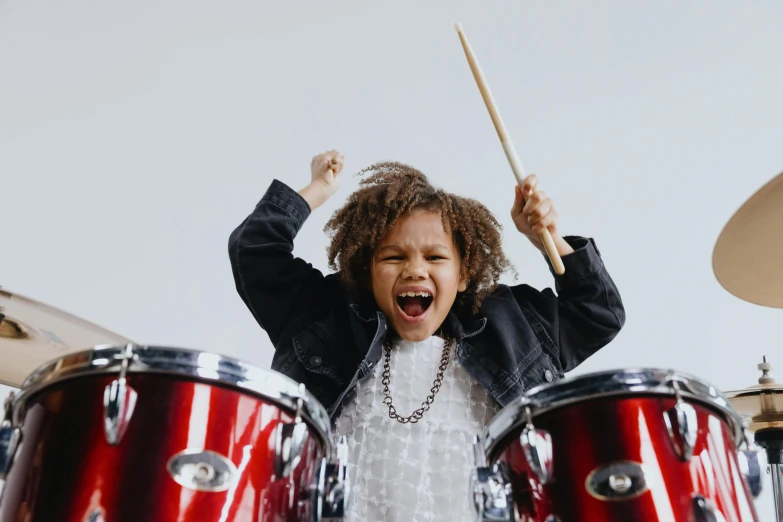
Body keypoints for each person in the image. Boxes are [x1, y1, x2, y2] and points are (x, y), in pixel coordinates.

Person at [228, 150, 625, 521]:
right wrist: (316, 190)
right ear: (367, 271)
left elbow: (598, 314)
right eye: (393, 257)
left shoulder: (513, 325)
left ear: (464, 273)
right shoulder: (326, 318)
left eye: (435, 257)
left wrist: (548, 239)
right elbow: (255, 251)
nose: (415, 270)